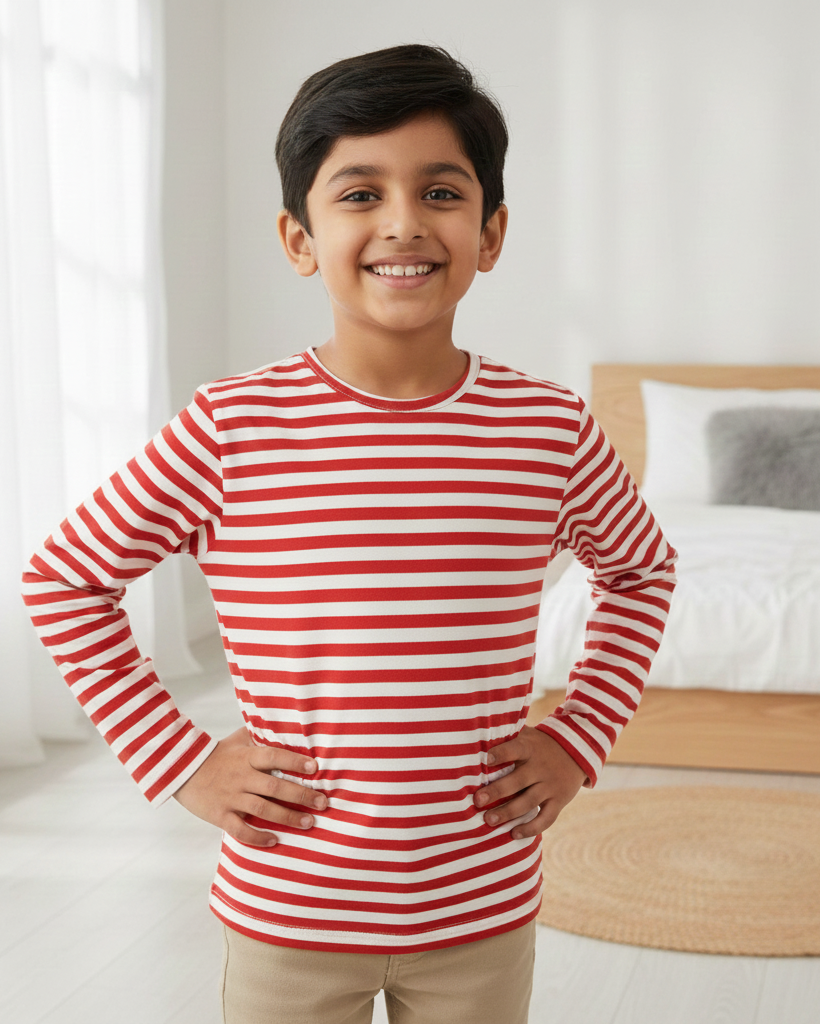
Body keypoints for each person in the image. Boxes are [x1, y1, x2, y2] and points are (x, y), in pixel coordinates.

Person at [22, 44, 677, 1024]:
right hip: (287, 903)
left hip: (480, 905)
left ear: (491, 232)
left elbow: (641, 571)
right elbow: (64, 579)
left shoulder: (547, 429)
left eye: (442, 192)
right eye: (360, 194)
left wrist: (578, 739)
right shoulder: (229, 427)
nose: (404, 223)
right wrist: (184, 761)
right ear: (298, 236)